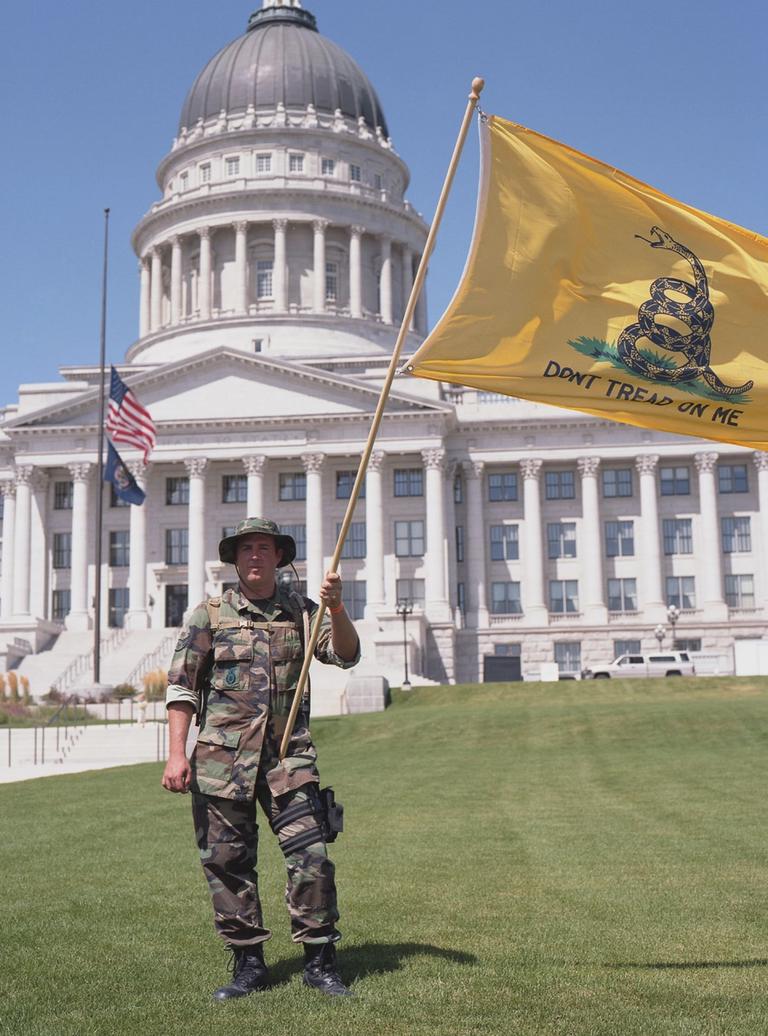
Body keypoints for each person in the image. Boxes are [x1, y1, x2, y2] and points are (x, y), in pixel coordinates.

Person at [161, 517, 360, 1000]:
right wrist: (175, 754)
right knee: (228, 864)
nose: (255, 555)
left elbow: (348, 655)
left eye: (264, 547)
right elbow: (182, 688)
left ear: (278, 557)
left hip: (288, 761)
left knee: (312, 859)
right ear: (235, 558)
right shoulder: (208, 616)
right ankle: (249, 963)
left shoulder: (302, 612)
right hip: (220, 763)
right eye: (246, 547)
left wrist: (335, 608)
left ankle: (320, 962)